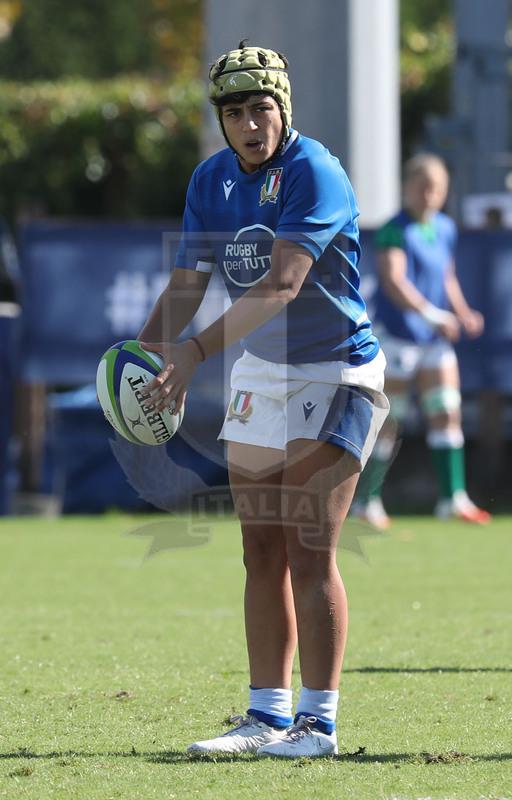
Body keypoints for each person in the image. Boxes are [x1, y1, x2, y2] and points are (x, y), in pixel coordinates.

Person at [137, 41, 389, 758]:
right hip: (259, 376)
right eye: (234, 112)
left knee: (312, 550)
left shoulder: (316, 171)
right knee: (259, 551)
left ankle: (319, 724)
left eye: (260, 108)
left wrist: (193, 353)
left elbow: (282, 285)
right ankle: (265, 716)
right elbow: (188, 283)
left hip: (335, 373)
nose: (248, 124)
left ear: (283, 110)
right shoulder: (211, 179)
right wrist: (144, 354)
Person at [353, 153, 491, 529]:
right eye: (424, 187)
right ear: (408, 188)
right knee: (389, 421)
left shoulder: (444, 227)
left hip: (433, 342)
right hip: (398, 340)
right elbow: (395, 282)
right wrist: (436, 316)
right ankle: (366, 502)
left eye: (439, 189)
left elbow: (446, 277)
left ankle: (453, 499)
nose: (431, 195)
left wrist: (460, 312)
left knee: (447, 410)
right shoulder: (393, 229)